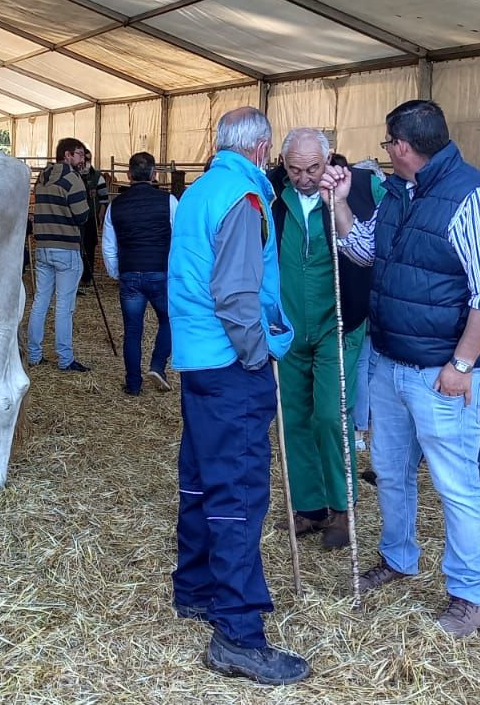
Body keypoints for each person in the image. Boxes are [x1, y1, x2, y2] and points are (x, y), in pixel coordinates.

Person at [323, 99, 480, 639]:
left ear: (402, 147)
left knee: (456, 482)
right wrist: (341, 204)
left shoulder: (472, 197)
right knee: (390, 467)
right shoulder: (396, 193)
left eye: (387, 144)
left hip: (441, 371)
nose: (385, 153)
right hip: (389, 359)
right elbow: (363, 251)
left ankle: (469, 594)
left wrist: (462, 364)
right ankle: (398, 557)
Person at [169, 107, 307, 686]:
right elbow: (234, 294)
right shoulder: (245, 200)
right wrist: (258, 353)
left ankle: (195, 589)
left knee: (201, 477)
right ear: (263, 147)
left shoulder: (203, 189)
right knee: (240, 492)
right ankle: (238, 634)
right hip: (230, 362)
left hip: (197, 358)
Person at [268, 129, 382, 552]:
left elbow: (375, 243)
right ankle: (309, 505)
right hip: (290, 328)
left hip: (339, 323)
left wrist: (343, 203)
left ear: (328, 158)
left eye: (313, 168)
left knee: (331, 418)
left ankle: (342, 505)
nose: (304, 177)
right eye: (295, 169)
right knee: (293, 417)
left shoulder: (360, 189)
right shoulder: (273, 199)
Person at [101, 152, 176, 396]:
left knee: (133, 330)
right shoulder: (169, 201)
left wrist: (116, 272)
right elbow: (179, 238)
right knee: (170, 320)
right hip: (160, 272)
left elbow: (108, 245)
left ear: (129, 175)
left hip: (130, 273)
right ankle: (157, 365)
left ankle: (133, 384)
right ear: (155, 174)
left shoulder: (116, 205)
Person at [27, 138, 92, 372]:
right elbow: (82, 216)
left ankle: (34, 354)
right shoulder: (72, 180)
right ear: (67, 155)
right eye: (78, 154)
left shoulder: (43, 177)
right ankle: (65, 358)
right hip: (66, 247)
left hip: (43, 245)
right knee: (65, 306)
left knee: (40, 301)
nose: (82, 158)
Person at [76, 146, 110, 291]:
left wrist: (100, 214)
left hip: (90, 217)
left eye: (87, 159)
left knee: (89, 246)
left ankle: (87, 277)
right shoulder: (73, 175)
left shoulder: (97, 177)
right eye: (83, 158)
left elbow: (104, 199)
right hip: (75, 218)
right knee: (76, 246)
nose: (84, 162)